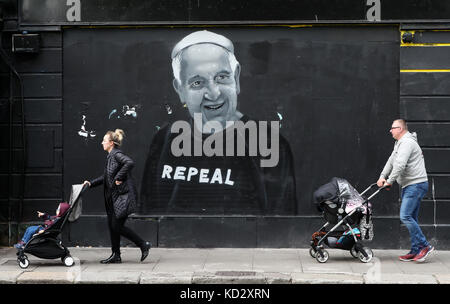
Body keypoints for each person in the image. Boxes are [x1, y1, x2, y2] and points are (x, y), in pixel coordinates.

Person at [140, 30, 297, 215]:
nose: (214, 94)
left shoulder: (269, 144)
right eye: (198, 83)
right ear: (180, 89)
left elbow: (281, 227)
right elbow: (148, 216)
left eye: (221, 77)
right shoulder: (165, 139)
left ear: (236, 79)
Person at [83, 129, 151, 264]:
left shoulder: (116, 154)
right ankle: (116, 255)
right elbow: (107, 177)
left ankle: (143, 244)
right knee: (112, 226)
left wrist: (119, 177)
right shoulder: (110, 157)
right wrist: (91, 183)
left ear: (111, 143)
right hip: (112, 198)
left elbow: (129, 162)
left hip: (121, 197)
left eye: (104, 140)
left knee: (116, 226)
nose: (102, 142)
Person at [377, 119, 433, 262]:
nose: (390, 131)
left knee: (405, 216)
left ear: (400, 128)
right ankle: (416, 250)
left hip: (416, 184)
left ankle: (425, 246)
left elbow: (400, 165)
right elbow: (391, 161)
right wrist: (383, 176)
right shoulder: (399, 143)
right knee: (411, 217)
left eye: (393, 128)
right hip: (410, 185)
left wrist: (390, 181)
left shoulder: (407, 143)